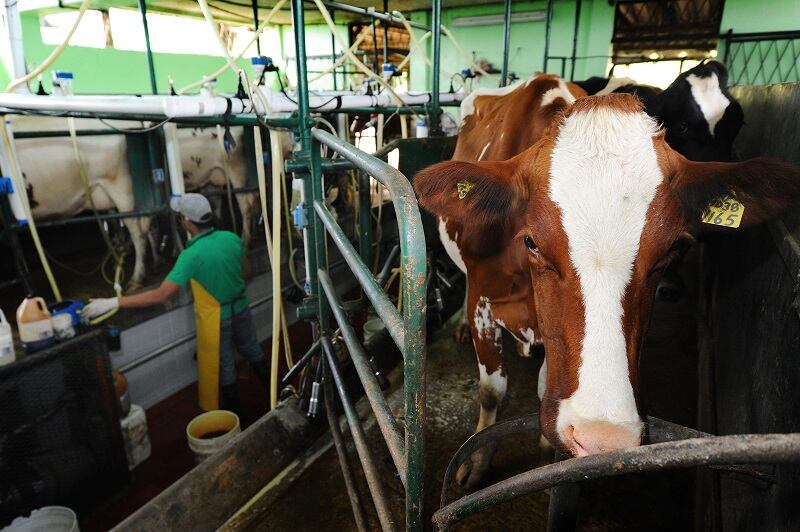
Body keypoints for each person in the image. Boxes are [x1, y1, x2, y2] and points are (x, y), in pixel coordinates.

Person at [82, 193, 268, 413]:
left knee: (226, 367)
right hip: (242, 308)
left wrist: (114, 302)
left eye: (181, 217)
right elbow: (245, 271)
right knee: (254, 350)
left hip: (218, 320)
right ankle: (277, 394)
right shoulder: (231, 238)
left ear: (187, 222)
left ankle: (237, 421)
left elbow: (161, 295)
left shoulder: (190, 256)